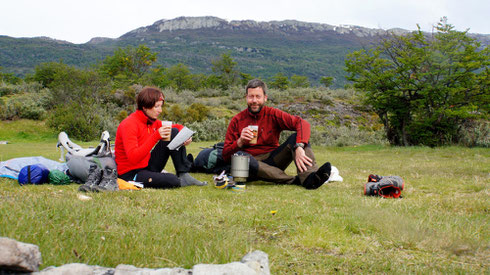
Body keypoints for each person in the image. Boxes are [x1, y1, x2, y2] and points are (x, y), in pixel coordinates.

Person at [222, 79, 331, 189]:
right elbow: (225, 155)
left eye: (258, 96)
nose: (254, 100)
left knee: (296, 138)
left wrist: (299, 146)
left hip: (273, 159)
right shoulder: (237, 120)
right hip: (251, 166)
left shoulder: (273, 114)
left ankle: (310, 177)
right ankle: (294, 180)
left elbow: (303, 123)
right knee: (242, 157)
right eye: (251, 96)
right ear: (246, 97)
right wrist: (240, 142)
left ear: (265, 98)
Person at [115, 86, 206, 188]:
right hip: (131, 173)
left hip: (147, 166)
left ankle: (183, 174)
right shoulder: (129, 124)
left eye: (161, 106)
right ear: (145, 107)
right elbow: (133, 158)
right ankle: (177, 180)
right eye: (157, 106)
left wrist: (184, 136)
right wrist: (155, 137)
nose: (160, 110)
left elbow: (177, 127)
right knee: (172, 180)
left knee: (173, 131)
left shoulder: (150, 121)